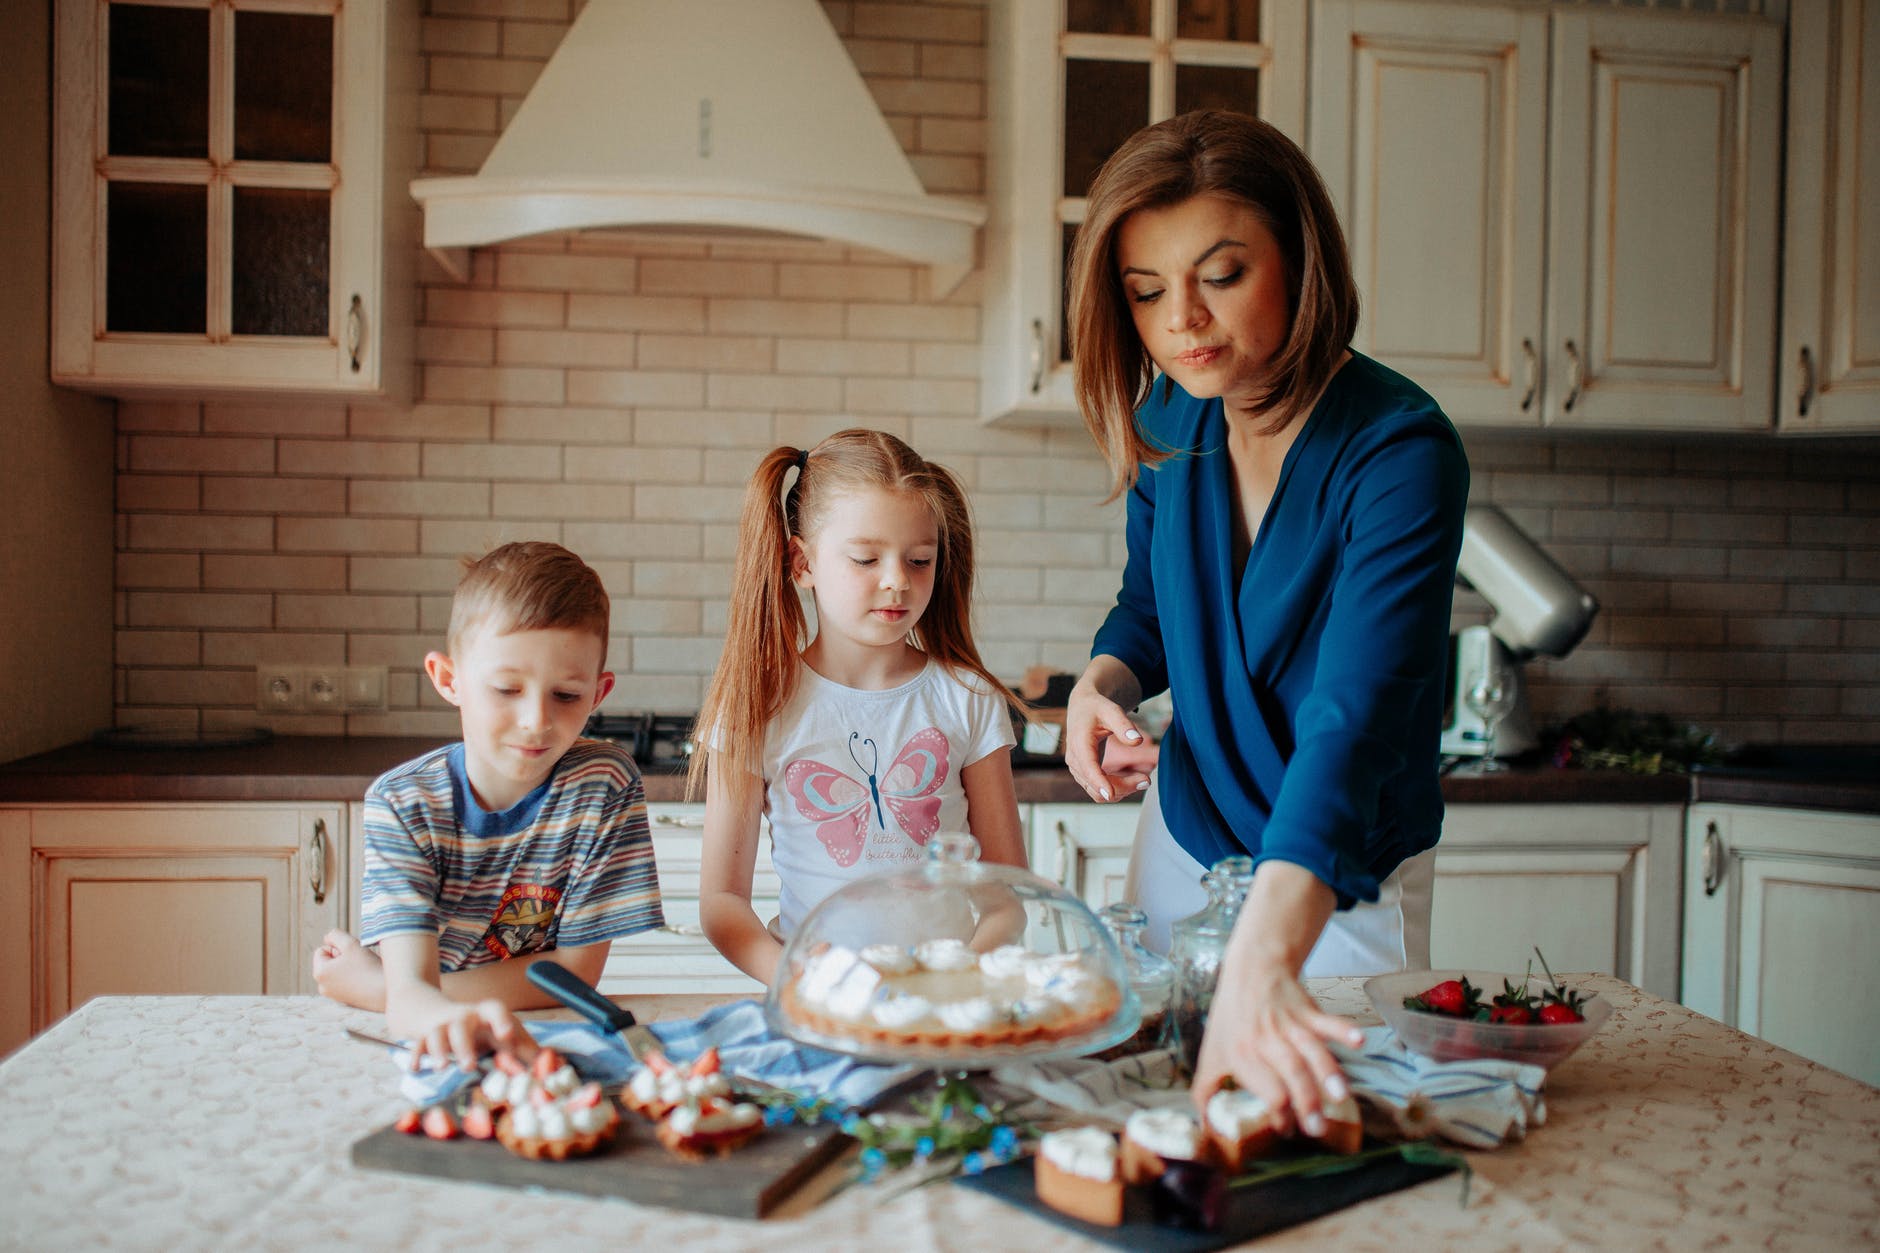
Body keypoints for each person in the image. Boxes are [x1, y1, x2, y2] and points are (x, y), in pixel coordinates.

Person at [1060, 111, 1469, 1137]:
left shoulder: (1399, 450)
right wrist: (1101, 683)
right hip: (1181, 837)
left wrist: (1263, 951)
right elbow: (1148, 607)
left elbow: (1355, 716)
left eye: (1222, 273)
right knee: (1161, 1123)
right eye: (1146, 291)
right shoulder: (1170, 418)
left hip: (1330, 871)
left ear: (1300, 255)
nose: (1181, 320)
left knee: (1322, 1142)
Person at [690, 429, 1029, 984]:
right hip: (818, 1009)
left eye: (919, 560)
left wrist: (958, 976)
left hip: (944, 1009)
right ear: (802, 564)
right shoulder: (758, 705)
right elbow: (723, 902)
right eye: (866, 558)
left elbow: (1007, 897)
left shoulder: (967, 699)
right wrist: (799, 980)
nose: (897, 581)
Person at [312, 541, 664, 1069]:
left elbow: (573, 977)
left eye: (566, 695)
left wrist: (372, 986)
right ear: (449, 679)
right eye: (506, 688)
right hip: (425, 1043)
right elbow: (411, 992)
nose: (536, 720)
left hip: (532, 1032)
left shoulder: (604, 784)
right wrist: (412, 997)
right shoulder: (403, 802)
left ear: (597, 693)